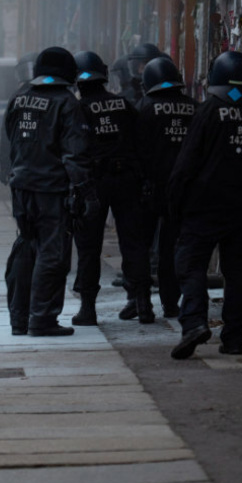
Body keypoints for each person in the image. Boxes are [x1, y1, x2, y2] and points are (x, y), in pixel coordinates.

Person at [168, 51, 242, 360]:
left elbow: (186, 164)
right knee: (238, 273)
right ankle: (234, 338)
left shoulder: (209, 110)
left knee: (190, 265)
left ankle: (194, 324)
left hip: (203, 208)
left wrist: (175, 204)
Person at [0, 46, 97, 337]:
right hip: (50, 190)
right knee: (52, 254)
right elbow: (74, 153)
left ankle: (19, 319)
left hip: (21, 187)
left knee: (26, 246)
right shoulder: (66, 102)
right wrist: (85, 192)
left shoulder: (19, 98)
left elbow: (8, 141)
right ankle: (42, 318)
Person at [70, 50, 154, 326]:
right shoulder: (123, 105)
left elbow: (74, 150)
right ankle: (142, 303)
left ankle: (88, 309)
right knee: (133, 241)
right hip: (128, 180)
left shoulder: (78, 109)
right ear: (103, 75)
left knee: (88, 245)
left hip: (95, 182)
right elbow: (142, 141)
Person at [134, 56, 198, 318]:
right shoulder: (194, 107)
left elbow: (135, 149)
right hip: (182, 190)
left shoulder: (144, 108)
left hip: (149, 188)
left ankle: (142, 303)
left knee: (141, 245)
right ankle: (171, 303)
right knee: (171, 247)